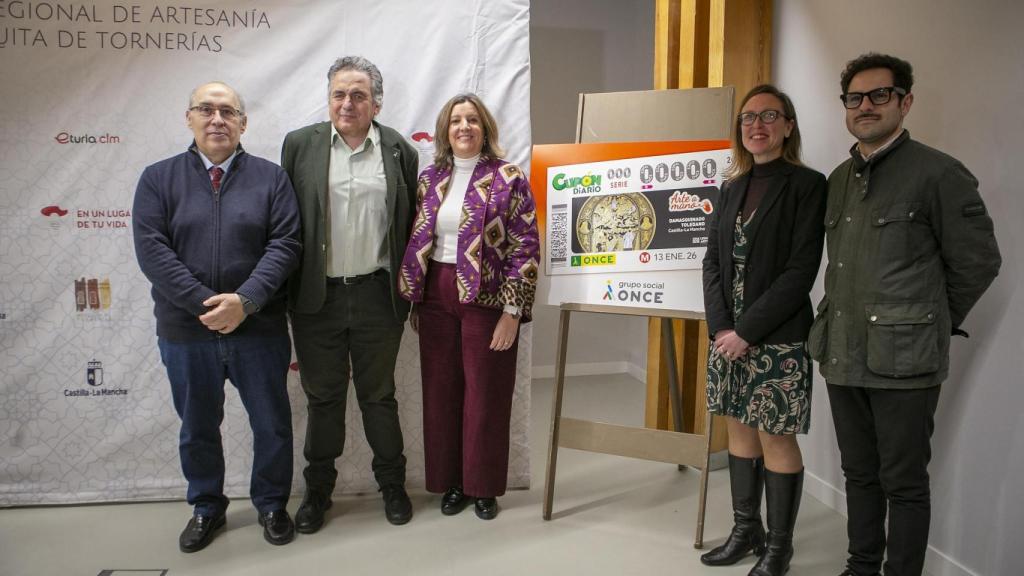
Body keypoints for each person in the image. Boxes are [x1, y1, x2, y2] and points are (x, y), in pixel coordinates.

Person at [810, 53, 1000, 576]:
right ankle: (861, 565)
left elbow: (978, 261)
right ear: (845, 107)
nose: (865, 105)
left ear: (905, 101)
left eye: (880, 95)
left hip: (905, 364)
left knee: (905, 482)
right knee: (858, 473)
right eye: (855, 97)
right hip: (841, 352)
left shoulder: (939, 173)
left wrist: (925, 322)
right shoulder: (839, 179)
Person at [132, 81, 302, 551]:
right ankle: (207, 506)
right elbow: (152, 251)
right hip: (186, 330)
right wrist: (209, 306)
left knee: (270, 423)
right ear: (189, 118)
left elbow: (285, 244)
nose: (217, 119)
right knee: (198, 426)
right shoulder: (157, 179)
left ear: (243, 124)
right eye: (206, 109)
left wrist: (244, 302)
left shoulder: (272, 178)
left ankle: (271, 504)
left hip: (259, 329)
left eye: (228, 111)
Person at [281, 56, 419, 532]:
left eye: (359, 95)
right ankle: (317, 491)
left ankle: (393, 486)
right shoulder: (300, 146)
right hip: (317, 299)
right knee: (322, 398)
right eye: (339, 93)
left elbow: (410, 228)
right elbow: (285, 224)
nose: (348, 103)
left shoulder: (399, 149)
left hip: (378, 296)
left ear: (375, 101)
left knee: (379, 396)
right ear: (329, 97)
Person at [701, 84, 826, 576]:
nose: (757, 125)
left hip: (777, 337)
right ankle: (744, 530)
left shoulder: (807, 185)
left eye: (769, 115)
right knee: (738, 430)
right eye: (748, 117)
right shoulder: (730, 187)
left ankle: (778, 548)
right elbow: (712, 263)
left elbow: (801, 271)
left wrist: (745, 332)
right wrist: (720, 329)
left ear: (788, 125)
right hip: (726, 338)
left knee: (776, 436)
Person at [397, 93, 539, 520]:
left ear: (485, 129)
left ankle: (483, 486)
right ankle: (452, 482)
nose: (464, 127)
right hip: (437, 293)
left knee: (487, 394)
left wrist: (512, 313)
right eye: (456, 120)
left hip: (488, 298)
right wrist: (416, 298)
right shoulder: (430, 179)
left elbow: (526, 249)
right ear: (445, 130)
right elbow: (416, 238)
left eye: (472, 120)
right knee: (441, 392)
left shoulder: (509, 178)